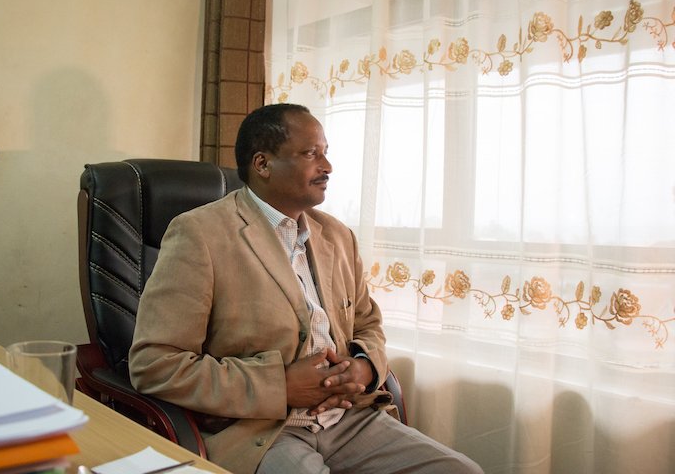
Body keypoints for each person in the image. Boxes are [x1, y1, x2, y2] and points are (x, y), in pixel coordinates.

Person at [129, 104, 482, 474]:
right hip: (264, 429)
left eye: (325, 152)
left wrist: (363, 369)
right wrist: (279, 386)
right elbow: (154, 364)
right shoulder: (200, 234)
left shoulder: (338, 236)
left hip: (348, 419)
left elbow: (367, 325)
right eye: (311, 153)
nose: (327, 167)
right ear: (262, 164)